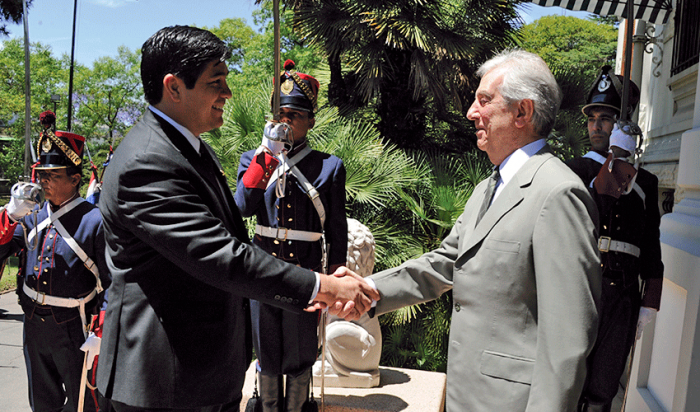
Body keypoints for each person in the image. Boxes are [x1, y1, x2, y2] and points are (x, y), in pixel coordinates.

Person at [95, 25, 379, 412]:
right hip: (165, 381)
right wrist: (321, 287)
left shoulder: (188, 149)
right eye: (217, 81)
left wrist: (331, 272)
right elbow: (219, 253)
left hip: (198, 373)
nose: (227, 93)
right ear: (174, 87)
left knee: (296, 362)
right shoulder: (148, 162)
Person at [360, 49, 602, 412]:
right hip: (467, 395)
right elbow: (445, 263)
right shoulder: (489, 187)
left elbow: (567, 340)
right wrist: (368, 291)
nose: (472, 112)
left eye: (484, 100)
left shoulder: (558, 193)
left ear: (522, 112)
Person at [234, 59, 347, 412]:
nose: (285, 121)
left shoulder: (328, 166)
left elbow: (336, 229)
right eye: (280, 114)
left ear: (310, 121)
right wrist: (267, 157)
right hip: (263, 272)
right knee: (266, 354)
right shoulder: (253, 160)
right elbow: (243, 206)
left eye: (294, 115)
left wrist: (338, 277)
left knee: (299, 356)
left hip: (305, 275)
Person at [566, 67, 663, 412]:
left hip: (622, 295)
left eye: (606, 119)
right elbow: (601, 199)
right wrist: (615, 162)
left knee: (604, 388)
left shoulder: (646, 183)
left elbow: (651, 242)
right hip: (581, 288)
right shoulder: (576, 170)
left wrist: (650, 298)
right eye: (592, 118)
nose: (596, 126)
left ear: (622, 125)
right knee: (569, 382)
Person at [0, 110, 111, 412]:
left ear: (75, 179)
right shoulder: (32, 216)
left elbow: (112, 284)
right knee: (42, 402)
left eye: (53, 175)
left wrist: (102, 332)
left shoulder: (95, 222)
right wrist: (9, 216)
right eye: (42, 175)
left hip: (75, 326)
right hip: (34, 324)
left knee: (82, 402)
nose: (44, 182)